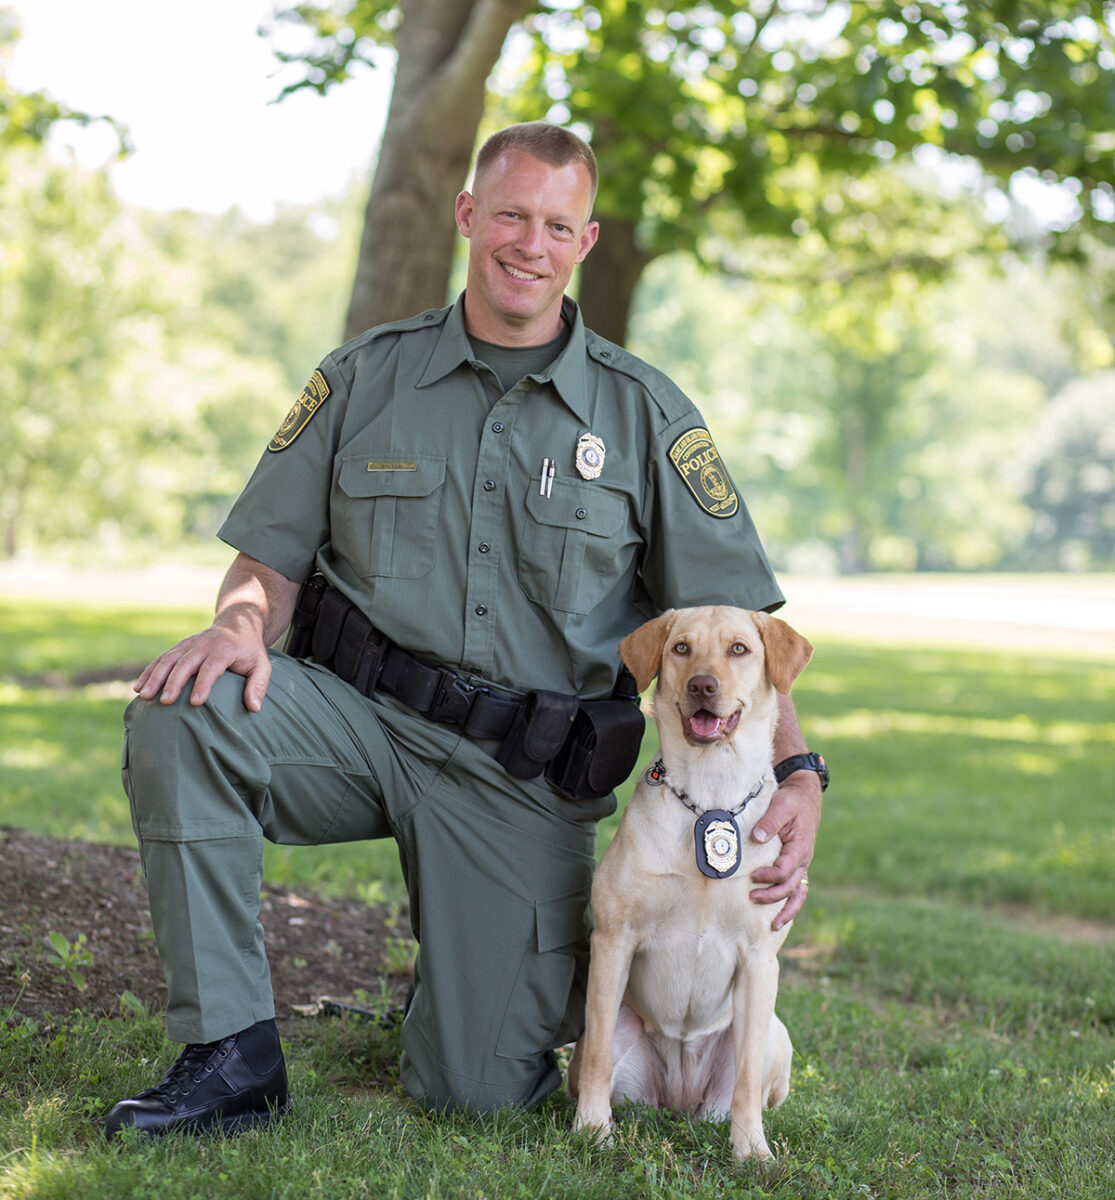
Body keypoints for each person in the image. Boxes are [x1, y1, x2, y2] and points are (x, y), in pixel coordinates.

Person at [104, 122, 825, 1139]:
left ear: (582, 241)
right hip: (355, 725)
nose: (529, 242)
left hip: (515, 781)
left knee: (474, 1087)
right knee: (188, 709)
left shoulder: (644, 414)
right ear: (467, 217)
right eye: (511, 215)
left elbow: (744, 634)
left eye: (556, 224)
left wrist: (798, 774)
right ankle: (228, 1055)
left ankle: (458, 973)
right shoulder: (364, 377)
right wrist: (237, 623)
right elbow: (266, 560)